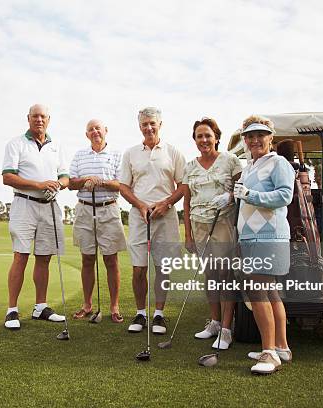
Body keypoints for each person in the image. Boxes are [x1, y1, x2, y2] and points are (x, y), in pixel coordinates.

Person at [233, 115, 295, 374]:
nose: (255, 139)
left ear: (271, 138)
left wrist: (250, 194)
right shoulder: (249, 167)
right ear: (245, 140)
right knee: (270, 293)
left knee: (258, 292)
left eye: (261, 134)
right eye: (250, 135)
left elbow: (285, 195)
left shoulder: (279, 162)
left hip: (268, 237)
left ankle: (269, 354)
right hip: (250, 237)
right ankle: (281, 347)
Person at [1, 104, 69, 330]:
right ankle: (12, 310)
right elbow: (8, 177)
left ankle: (41, 307)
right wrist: (38, 184)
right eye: (35, 116)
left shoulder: (56, 146)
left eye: (43, 116)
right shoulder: (16, 144)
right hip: (24, 205)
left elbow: (65, 176)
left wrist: (58, 184)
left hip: (49, 206)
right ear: (28, 118)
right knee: (20, 256)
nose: (39, 120)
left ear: (49, 119)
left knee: (44, 257)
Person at [119, 107, 186, 334]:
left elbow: (183, 185)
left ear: (160, 124)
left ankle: (159, 314)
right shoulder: (130, 153)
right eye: (144, 124)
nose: (148, 127)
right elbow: (123, 187)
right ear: (139, 126)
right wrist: (140, 205)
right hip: (140, 217)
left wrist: (166, 203)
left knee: (162, 268)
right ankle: (140, 314)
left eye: (152, 123)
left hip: (165, 216)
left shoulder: (173, 152)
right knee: (139, 268)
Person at [182, 117, 242, 350]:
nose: (204, 140)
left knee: (225, 276)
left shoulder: (230, 160)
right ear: (195, 140)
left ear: (217, 137)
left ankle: (226, 331)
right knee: (210, 276)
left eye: (208, 135)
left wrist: (230, 197)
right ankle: (215, 323)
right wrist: (188, 235)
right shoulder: (190, 166)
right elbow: (186, 203)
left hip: (224, 223)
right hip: (199, 226)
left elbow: (242, 189)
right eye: (199, 136)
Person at [69, 119, 127, 323]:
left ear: (106, 131)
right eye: (90, 130)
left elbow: (121, 184)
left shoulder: (117, 155)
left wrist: (100, 181)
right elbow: (70, 183)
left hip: (108, 209)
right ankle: (87, 304)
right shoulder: (79, 155)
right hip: (85, 209)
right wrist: (86, 181)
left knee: (111, 260)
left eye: (98, 129)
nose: (95, 132)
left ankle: (114, 306)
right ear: (87, 135)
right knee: (87, 259)